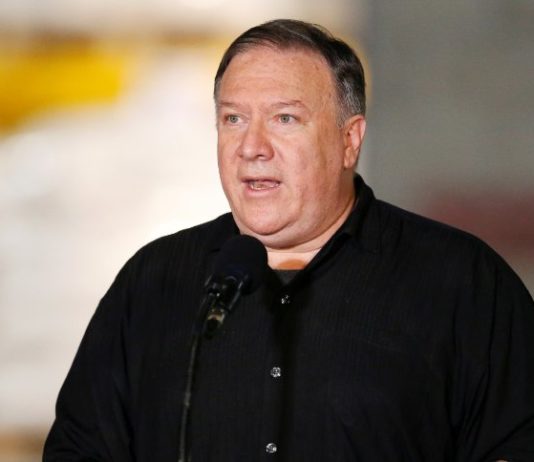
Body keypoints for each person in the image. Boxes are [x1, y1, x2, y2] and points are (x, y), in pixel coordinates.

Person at [43, 19, 534, 461]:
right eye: (233, 119)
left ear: (349, 140)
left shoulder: (462, 283)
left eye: (284, 119)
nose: (252, 147)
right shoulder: (153, 282)